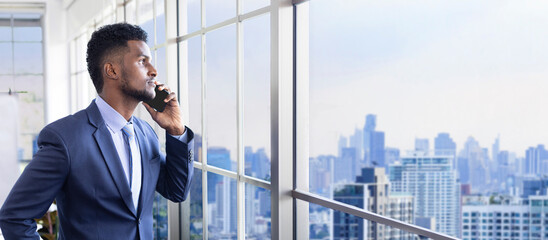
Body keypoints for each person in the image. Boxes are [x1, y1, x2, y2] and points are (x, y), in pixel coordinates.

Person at [0, 23, 194, 239]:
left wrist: (177, 130)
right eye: (142, 61)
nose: (153, 71)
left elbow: (176, 191)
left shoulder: (146, 133)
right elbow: (15, 217)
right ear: (112, 70)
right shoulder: (64, 138)